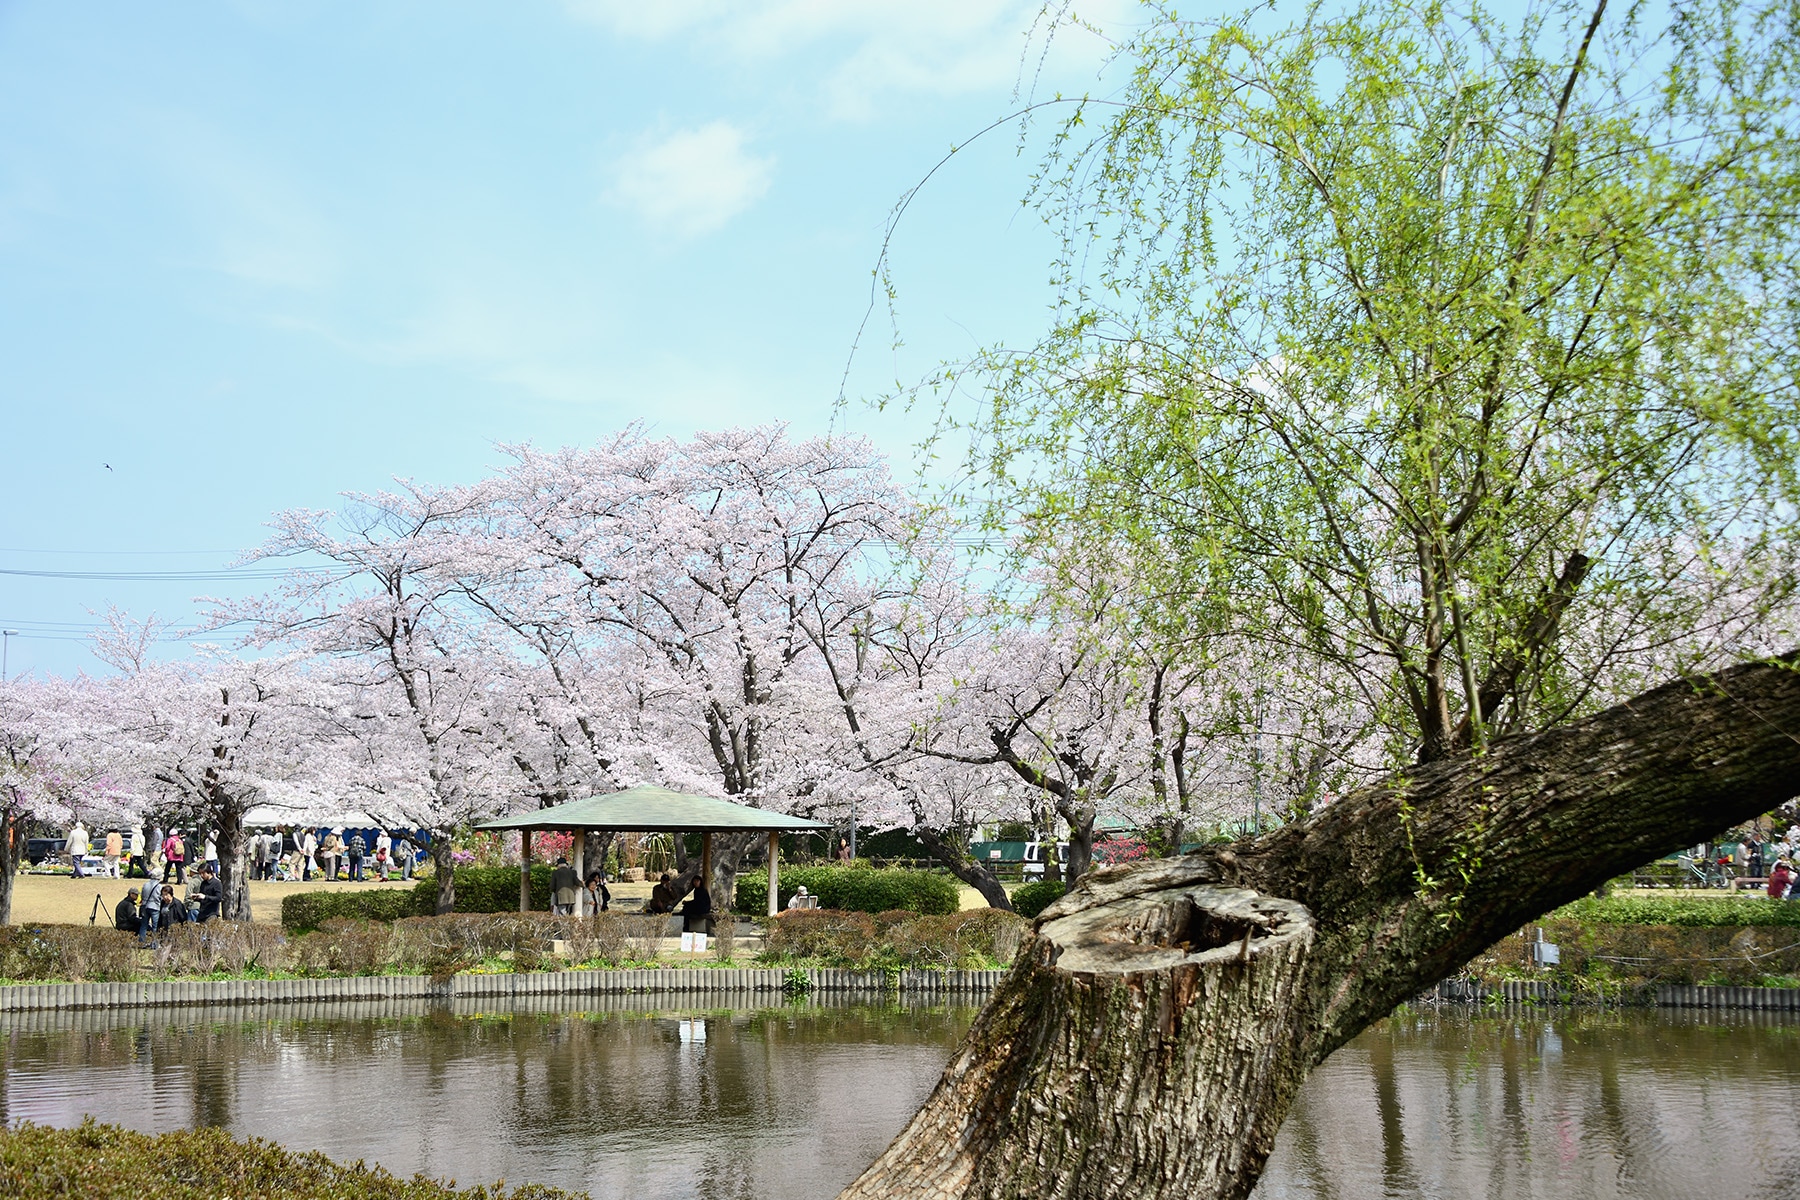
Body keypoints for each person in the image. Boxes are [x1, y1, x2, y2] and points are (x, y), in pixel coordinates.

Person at [137, 877, 163, 945]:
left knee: (144, 925)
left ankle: (141, 942)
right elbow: (160, 897)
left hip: (145, 906)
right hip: (155, 907)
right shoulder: (159, 886)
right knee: (155, 926)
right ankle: (154, 944)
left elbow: (142, 895)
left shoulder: (145, 884)